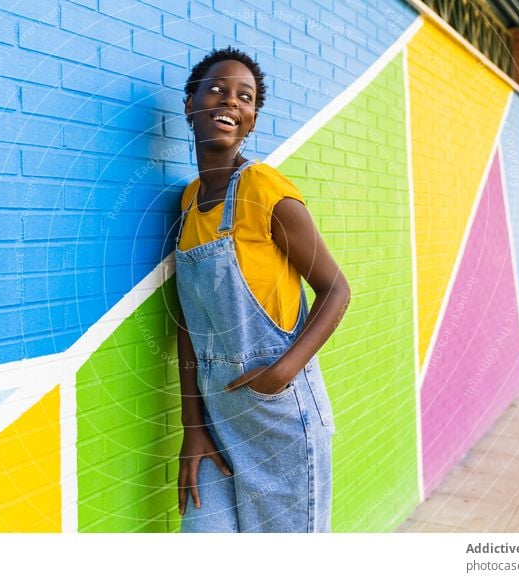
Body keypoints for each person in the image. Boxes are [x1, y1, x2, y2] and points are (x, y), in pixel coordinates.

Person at [174, 46, 351, 533]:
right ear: (190, 104)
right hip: (215, 422)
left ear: (250, 121)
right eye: (216, 89)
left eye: (244, 97)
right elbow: (189, 321)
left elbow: (336, 290)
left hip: (280, 419)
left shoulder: (265, 189)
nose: (230, 101)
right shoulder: (188, 203)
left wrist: (282, 372)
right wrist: (193, 429)